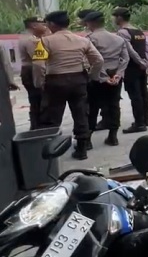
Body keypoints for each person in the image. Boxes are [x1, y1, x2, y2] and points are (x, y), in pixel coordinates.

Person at [32, 11, 103, 160]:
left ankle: (51, 150)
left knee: (52, 116)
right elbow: (98, 60)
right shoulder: (82, 40)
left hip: (55, 81)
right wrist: (91, 76)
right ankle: (82, 149)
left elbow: (38, 65)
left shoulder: (44, 41)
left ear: (51, 24)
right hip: (79, 80)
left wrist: (39, 83)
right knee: (81, 113)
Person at [84, 11, 128, 146]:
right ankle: (113, 136)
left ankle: (87, 140)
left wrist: (102, 77)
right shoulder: (118, 39)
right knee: (114, 105)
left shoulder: (90, 39)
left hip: (97, 77)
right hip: (115, 75)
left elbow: (94, 61)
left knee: (92, 107)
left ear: (90, 23)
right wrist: (118, 74)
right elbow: (125, 58)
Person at [112, 7, 148, 134]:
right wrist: (147, 63)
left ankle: (139, 123)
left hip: (132, 67)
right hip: (141, 67)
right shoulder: (138, 31)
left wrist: (141, 63)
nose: (113, 19)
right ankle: (146, 119)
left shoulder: (123, 33)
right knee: (143, 92)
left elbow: (129, 51)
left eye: (114, 17)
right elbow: (146, 49)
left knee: (135, 95)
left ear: (119, 17)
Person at [78, 9, 109, 129]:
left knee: (93, 102)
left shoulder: (89, 37)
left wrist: (91, 75)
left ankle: (89, 130)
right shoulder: (113, 36)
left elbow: (92, 58)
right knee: (110, 100)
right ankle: (109, 123)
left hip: (96, 72)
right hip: (111, 71)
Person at [17, 17, 48, 129]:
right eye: (43, 24)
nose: (45, 26)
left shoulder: (25, 37)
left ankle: (36, 125)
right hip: (33, 72)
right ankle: (38, 127)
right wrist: (41, 80)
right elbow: (38, 62)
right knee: (39, 100)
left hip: (28, 71)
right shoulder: (32, 40)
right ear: (34, 26)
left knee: (35, 100)